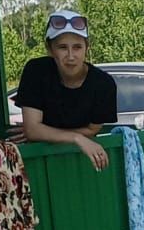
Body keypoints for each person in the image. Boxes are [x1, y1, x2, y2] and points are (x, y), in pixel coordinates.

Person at [15, 10, 116, 172]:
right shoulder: (36, 71)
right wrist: (77, 138)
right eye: (62, 47)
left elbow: (93, 129)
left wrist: (44, 132)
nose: (71, 56)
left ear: (87, 48)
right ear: (50, 49)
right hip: (37, 167)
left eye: (77, 47)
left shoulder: (103, 83)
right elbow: (32, 130)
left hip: (82, 167)